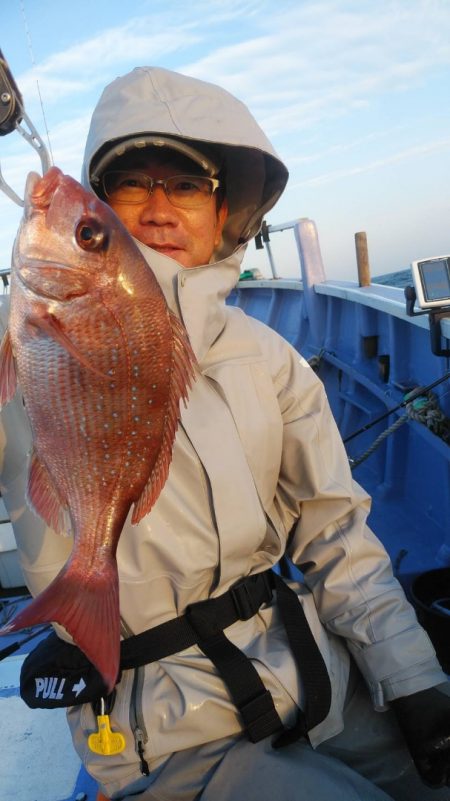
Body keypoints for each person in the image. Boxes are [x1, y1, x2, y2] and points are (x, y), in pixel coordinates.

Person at [1, 66, 450, 801]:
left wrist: (413, 677)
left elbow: (337, 534)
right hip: (169, 739)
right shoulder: (22, 336)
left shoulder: (270, 358)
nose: (159, 206)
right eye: (129, 184)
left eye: (185, 183)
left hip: (318, 680)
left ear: (223, 211)